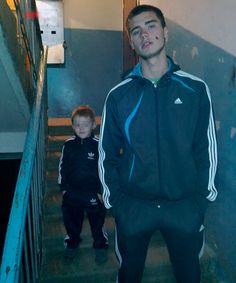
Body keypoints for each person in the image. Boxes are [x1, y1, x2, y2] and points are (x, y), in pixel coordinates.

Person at [98, 4, 217, 283]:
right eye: (136, 31)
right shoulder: (118, 96)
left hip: (184, 206)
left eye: (151, 26)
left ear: (165, 32)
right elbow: (105, 154)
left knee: (189, 276)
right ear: (131, 41)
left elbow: (206, 149)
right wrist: (116, 204)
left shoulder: (195, 89)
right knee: (129, 275)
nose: (144, 34)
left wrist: (201, 201)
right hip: (134, 208)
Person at [58, 105, 108, 262]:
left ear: (93, 125)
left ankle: (100, 244)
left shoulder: (98, 144)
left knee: (97, 221)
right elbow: (62, 166)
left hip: (94, 193)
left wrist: (102, 190)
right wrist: (64, 188)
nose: (81, 128)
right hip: (72, 192)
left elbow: (104, 169)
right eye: (77, 124)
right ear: (72, 126)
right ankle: (72, 242)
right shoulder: (68, 144)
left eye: (85, 124)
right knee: (71, 219)